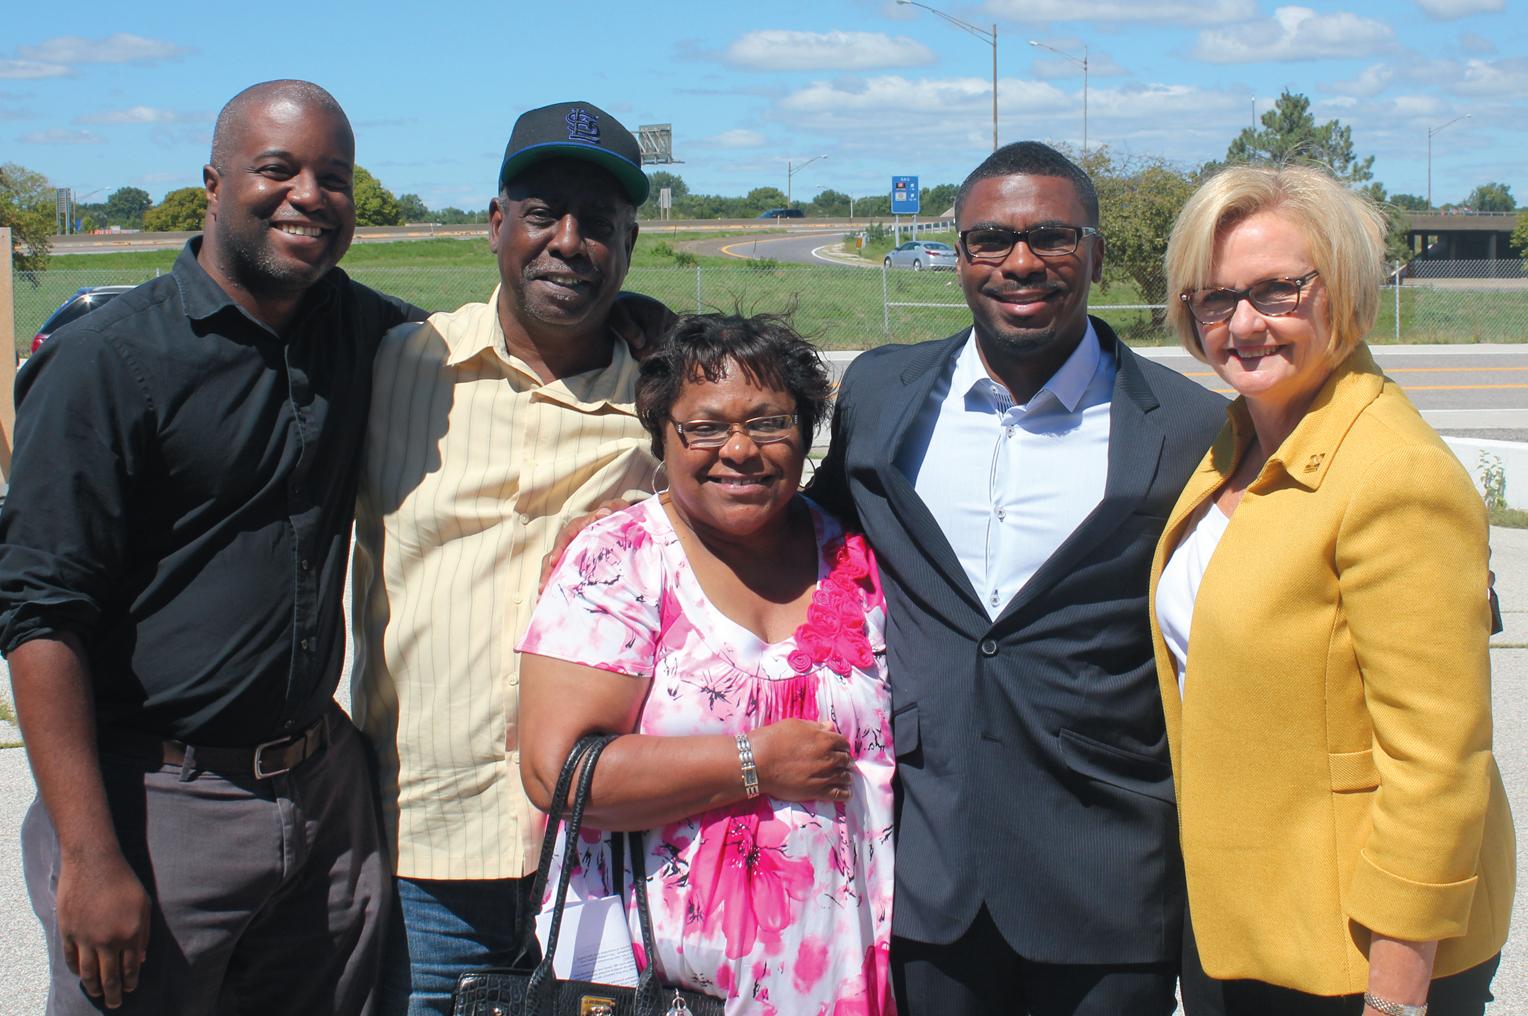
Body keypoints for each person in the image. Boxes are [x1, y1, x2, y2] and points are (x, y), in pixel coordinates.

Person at [0, 80, 421, 1014]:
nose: (309, 195)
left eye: (334, 177)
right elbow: (39, 616)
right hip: (160, 805)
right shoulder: (107, 362)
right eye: (277, 169)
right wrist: (91, 855)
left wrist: (634, 323)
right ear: (214, 183)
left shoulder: (365, 332)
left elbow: (499, 348)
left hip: (324, 801)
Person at [808, 142, 1226, 1015]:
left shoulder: (1192, 428)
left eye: (1052, 237)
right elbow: (807, 538)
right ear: (959, 256)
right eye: (991, 239)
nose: (1021, 262)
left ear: (1096, 255)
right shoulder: (879, 394)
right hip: (925, 876)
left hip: (1107, 881)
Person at [1152, 164, 1514, 1015]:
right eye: (1215, 297)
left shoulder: (1396, 474)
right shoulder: (1240, 442)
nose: (1244, 323)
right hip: (1248, 923)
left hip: (1357, 950)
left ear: (1343, 288)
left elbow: (1437, 764)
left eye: (1278, 290)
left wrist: (1396, 994)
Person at [350, 100, 666, 1015]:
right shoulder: (395, 366)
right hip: (427, 849)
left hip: (606, 854)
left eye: (597, 224)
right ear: (497, 225)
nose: (568, 243)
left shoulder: (671, 401)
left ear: (628, 245)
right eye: (542, 215)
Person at [518, 313, 896, 1014]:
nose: (741, 449)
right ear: (662, 436)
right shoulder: (619, 559)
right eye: (705, 427)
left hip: (839, 974)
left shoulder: (855, 555)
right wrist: (754, 762)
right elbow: (555, 772)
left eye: (770, 423)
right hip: (659, 986)